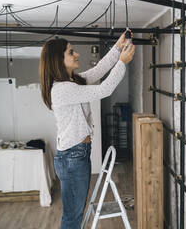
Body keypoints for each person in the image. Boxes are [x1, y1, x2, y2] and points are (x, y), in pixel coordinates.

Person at [39, 32, 135, 229]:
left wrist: (118, 47)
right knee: (72, 218)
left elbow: (99, 70)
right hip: (73, 157)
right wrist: (122, 62)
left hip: (75, 156)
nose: (77, 55)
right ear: (59, 60)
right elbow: (104, 90)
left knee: (74, 214)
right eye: (71, 52)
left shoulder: (73, 81)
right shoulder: (63, 89)